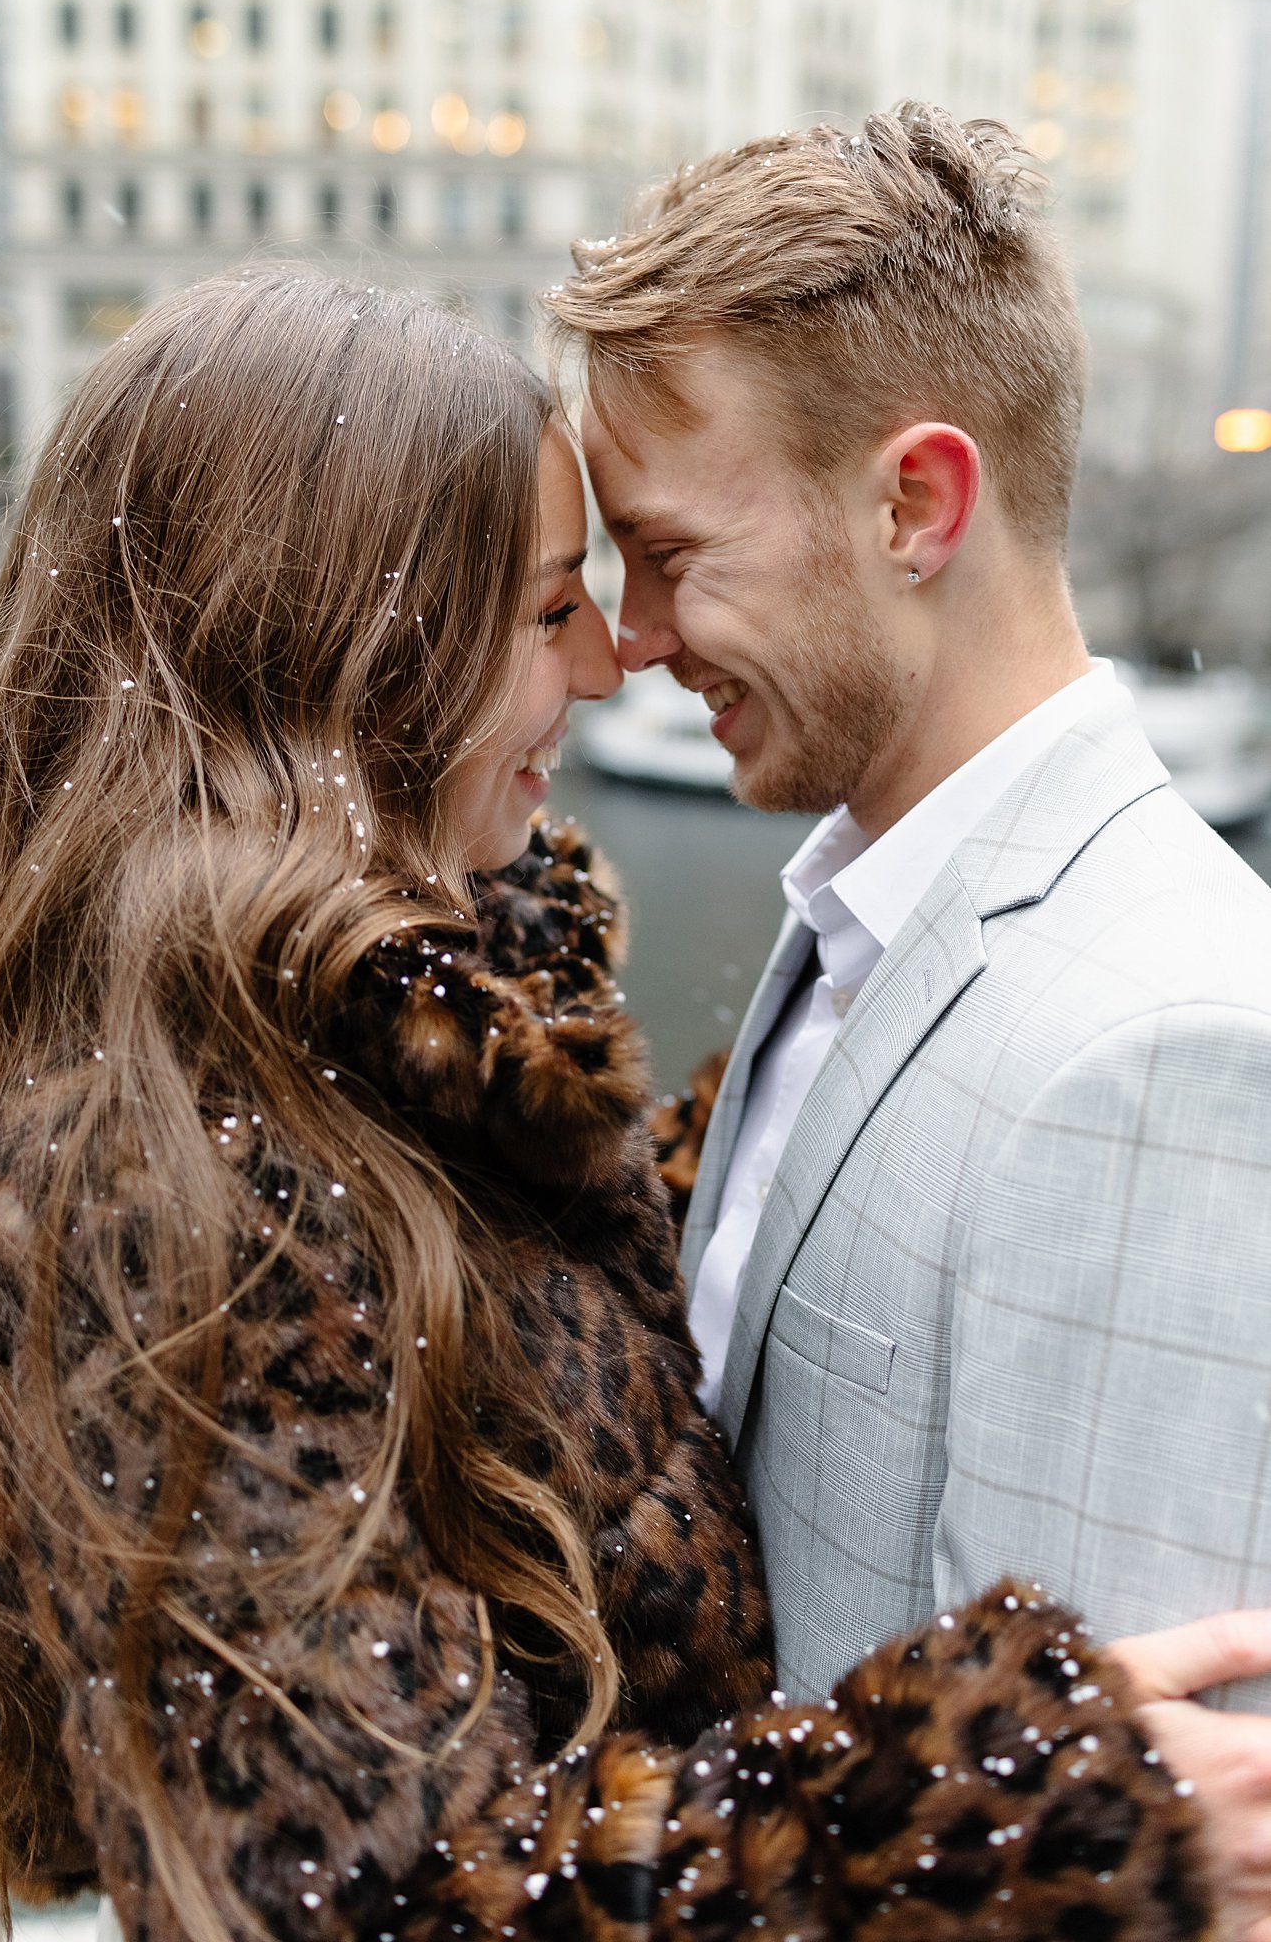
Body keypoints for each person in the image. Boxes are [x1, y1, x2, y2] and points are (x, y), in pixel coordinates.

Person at [0, 266, 1223, 1942]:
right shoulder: (157, 1185)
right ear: (366, 654)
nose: (612, 661)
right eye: (551, 607)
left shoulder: (367, 1061)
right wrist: (1001, 1825)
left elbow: (516, 1358)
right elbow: (371, 1897)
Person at [547, 103, 1271, 1931]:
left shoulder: (1155, 1052)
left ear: (914, 506)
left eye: (671, 552)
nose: (629, 638)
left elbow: (1081, 1879)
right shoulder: (872, 911)